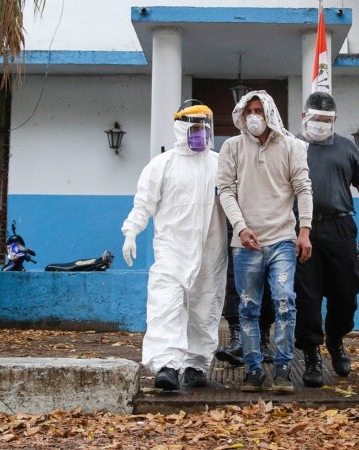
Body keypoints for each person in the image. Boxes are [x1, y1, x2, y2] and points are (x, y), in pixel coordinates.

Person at [121, 100, 227, 391]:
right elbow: (144, 203)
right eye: (194, 127)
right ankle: (166, 365)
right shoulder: (162, 165)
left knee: (205, 306)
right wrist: (131, 231)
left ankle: (197, 365)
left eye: (205, 127)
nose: (201, 133)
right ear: (181, 128)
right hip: (171, 248)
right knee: (165, 304)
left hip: (210, 247)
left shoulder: (219, 164)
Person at [294, 91, 359, 388]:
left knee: (346, 292)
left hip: (339, 229)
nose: (322, 125)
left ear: (335, 120)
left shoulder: (347, 148)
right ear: (304, 118)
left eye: (328, 120)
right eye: (316, 119)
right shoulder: (290, 146)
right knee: (307, 296)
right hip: (302, 231)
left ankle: (335, 339)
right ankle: (311, 354)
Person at [216, 90, 313, 393]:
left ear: (269, 112)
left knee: (285, 302)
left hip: (283, 239)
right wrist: (241, 228)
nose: (254, 116)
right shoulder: (231, 147)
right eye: (249, 111)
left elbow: (303, 188)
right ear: (241, 115)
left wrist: (305, 230)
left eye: (259, 110)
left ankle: (283, 369)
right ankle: (253, 370)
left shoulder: (292, 146)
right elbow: (225, 191)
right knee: (248, 308)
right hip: (245, 244)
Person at [214, 221, 275, 367]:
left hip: (269, 226)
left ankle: (262, 340)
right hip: (235, 227)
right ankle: (237, 339)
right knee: (234, 279)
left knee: (266, 281)